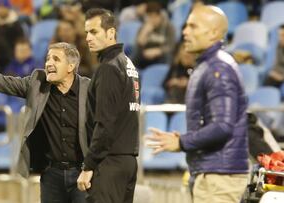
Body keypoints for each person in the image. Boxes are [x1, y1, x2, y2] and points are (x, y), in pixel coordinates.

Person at [0, 42, 90, 203]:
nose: (49, 63)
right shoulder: (37, 83)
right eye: (47, 59)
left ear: (71, 66)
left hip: (83, 172)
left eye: (56, 59)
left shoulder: (89, 89)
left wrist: (92, 167)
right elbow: (3, 82)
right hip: (52, 175)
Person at [146, 5, 249, 203]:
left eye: (193, 26)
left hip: (219, 175)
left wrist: (183, 142)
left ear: (213, 33)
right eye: (186, 26)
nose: (185, 31)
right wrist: (185, 140)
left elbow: (222, 126)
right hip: (211, 172)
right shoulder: (207, 65)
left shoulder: (218, 68)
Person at [77, 8, 140, 203]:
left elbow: (104, 124)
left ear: (111, 32)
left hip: (109, 162)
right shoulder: (128, 64)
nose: (88, 37)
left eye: (94, 32)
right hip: (128, 161)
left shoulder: (109, 68)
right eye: (87, 32)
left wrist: (88, 166)